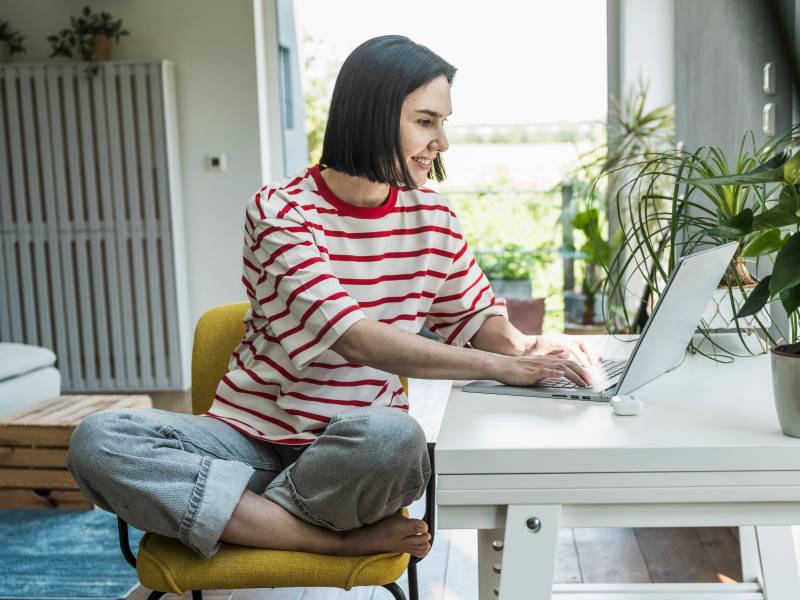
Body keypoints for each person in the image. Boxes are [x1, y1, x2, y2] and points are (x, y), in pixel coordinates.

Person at [67, 35, 596, 562]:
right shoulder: (281, 212)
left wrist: (530, 349)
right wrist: (503, 370)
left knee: (397, 439)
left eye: (443, 123)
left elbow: (477, 319)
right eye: (426, 121)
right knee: (100, 440)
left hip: (353, 452)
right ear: (373, 114)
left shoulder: (432, 220)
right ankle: (322, 539)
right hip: (246, 443)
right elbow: (354, 338)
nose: (442, 143)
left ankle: (234, 515)